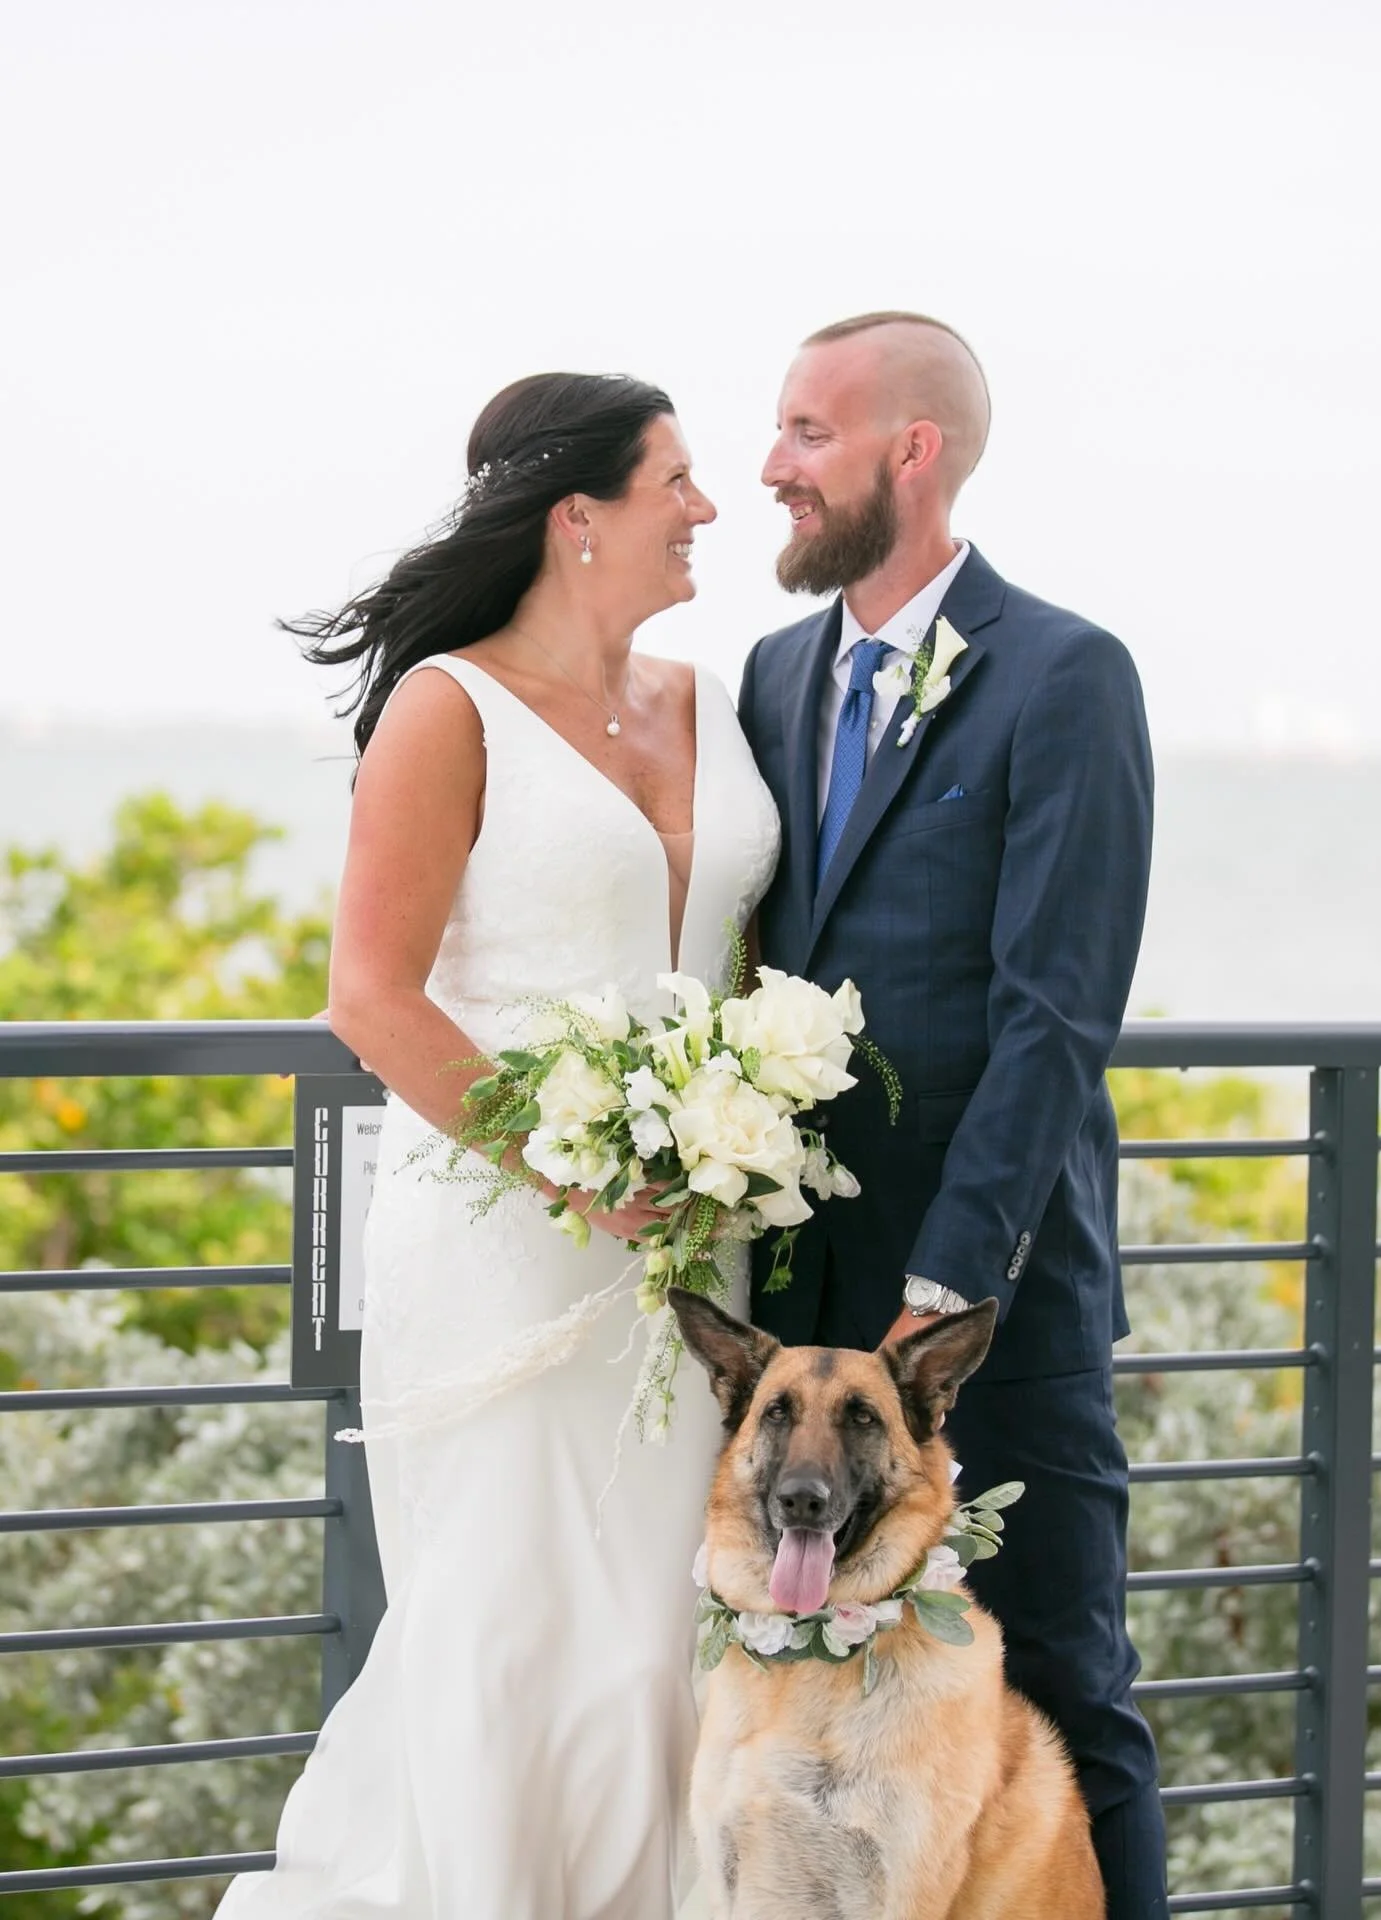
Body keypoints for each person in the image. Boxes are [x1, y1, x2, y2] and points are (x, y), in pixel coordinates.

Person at [216, 373, 779, 1918]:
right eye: (679, 478)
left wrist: (736, 1133)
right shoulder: (445, 708)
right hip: (507, 1248)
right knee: (513, 1617)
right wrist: (578, 1175)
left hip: (695, 1244)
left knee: (668, 1627)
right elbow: (373, 999)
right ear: (577, 515)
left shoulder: (711, 702)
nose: (709, 509)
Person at [737, 311, 1168, 1918]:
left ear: (909, 453)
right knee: (826, 1726)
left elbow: (1054, 1013)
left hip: (990, 1311)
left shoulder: (1066, 674)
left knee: (1056, 1681)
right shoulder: (776, 677)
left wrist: (949, 1282)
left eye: (806, 433)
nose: (772, 467)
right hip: (797, 1321)